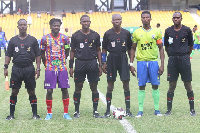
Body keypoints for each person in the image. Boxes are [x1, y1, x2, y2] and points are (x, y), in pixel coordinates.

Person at [4, 19, 41, 120]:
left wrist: (38, 68)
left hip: (29, 68)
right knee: (14, 91)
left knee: (31, 91)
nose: (23, 26)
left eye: (25, 25)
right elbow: (8, 54)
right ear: (18, 27)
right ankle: (11, 115)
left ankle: (35, 114)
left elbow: (38, 55)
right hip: (17, 69)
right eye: (21, 25)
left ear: (27, 26)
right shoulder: (13, 40)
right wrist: (5, 67)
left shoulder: (33, 40)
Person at [132, 11, 164, 118]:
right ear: (141, 19)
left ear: (151, 19)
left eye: (147, 17)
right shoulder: (136, 32)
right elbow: (133, 48)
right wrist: (131, 63)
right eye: (143, 17)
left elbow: (161, 49)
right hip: (141, 62)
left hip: (153, 62)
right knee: (141, 86)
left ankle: (157, 109)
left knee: (155, 85)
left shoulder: (157, 32)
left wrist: (162, 64)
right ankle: (140, 110)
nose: (145, 19)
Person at [102, 14, 134, 118]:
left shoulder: (126, 33)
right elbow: (104, 50)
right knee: (110, 84)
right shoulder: (107, 33)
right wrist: (103, 62)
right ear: (111, 21)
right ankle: (107, 110)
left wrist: (131, 63)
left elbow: (130, 48)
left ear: (121, 21)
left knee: (126, 83)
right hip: (111, 59)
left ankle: (128, 110)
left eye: (118, 19)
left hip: (123, 58)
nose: (117, 21)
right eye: (115, 19)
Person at [69, 15, 102, 118]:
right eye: (84, 21)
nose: (86, 23)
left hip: (92, 62)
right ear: (80, 22)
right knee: (78, 87)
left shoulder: (95, 35)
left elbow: (98, 50)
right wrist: (71, 66)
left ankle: (95, 111)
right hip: (80, 63)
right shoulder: (75, 36)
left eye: (87, 21)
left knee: (94, 87)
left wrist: (100, 65)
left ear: (90, 22)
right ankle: (76, 111)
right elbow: (72, 51)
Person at [164, 12, 196, 116]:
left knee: (188, 84)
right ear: (172, 19)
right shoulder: (168, 31)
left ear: (181, 18)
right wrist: (172, 55)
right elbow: (167, 47)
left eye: (178, 17)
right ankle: (169, 110)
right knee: (172, 85)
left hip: (184, 59)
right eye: (174, 18)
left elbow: (191, 45)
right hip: (172, 60)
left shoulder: (186, 30)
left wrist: (185, 55)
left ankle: (192, 110)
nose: (176, 19)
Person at [40, 18, 72, 120]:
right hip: (50, 67)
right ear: (50, 26)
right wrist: (46, 64)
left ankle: (66, 113)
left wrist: (62, 60)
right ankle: (49, 113)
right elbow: (42, 54)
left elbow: (67, 50)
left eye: (58, 25)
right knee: (49, 90)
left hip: (62, 67)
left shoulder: (64, 38)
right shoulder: (45, 39)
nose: (56, 27)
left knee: (64, 89)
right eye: (54, 25)